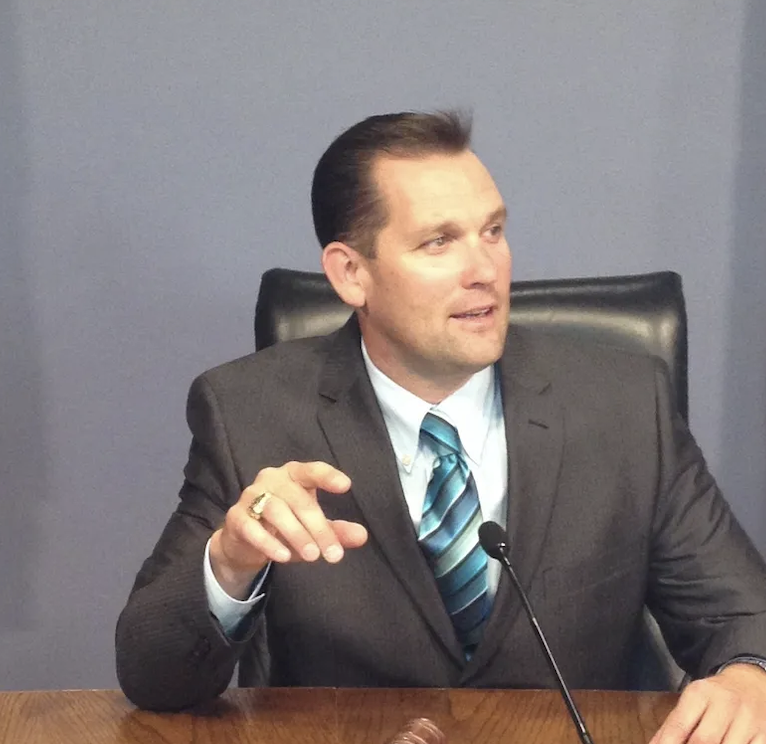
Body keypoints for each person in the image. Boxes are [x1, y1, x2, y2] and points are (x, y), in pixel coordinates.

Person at [116, 111, 766, 743]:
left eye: (493, 231)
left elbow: (745, 617)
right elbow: (153, 677)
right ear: (351, 274)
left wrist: (750, 677)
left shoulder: (622, 403)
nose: (484, 269)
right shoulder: (250, 412)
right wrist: (231, 562)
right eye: (439, 242)